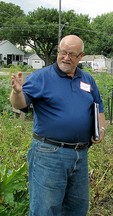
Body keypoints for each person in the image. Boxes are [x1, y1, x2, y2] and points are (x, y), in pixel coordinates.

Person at [10, 35, 105, 216]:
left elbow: (98, 106)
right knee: (45, 209)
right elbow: (19, 104)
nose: (66, 58)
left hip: (80, 154)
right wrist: (17, 92)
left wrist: (101, 129)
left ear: (81, 56)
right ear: (58, 51)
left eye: (72, 54)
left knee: (76, 208)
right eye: (63, 52)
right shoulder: (41, 77)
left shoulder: (87, 80)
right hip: (49, 154)